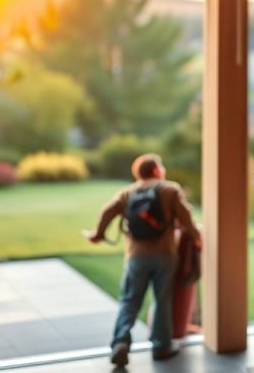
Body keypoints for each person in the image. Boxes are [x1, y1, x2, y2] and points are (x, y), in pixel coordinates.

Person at [87, 153, 202, 366]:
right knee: (162, 300)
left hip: (136, 256)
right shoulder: (169, 189)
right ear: (157, 170)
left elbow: (107, 212)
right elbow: (186, 218)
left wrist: (99, 234)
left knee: (129, 300)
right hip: (165, 255)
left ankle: (120, 342)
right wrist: (196, 239)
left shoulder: (128, 192)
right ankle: (161, 346)